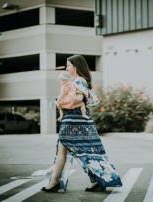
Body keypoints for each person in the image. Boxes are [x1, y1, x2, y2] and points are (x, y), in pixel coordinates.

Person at [41, 55, 122, 193]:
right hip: (76, 120)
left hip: (73, 120)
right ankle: (98, 180)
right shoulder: (79, 81)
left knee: (65, 149)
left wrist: (61, 102)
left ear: (75, 67)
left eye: (68, 65)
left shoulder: (78, 81)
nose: (67, 68)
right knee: (86, 150)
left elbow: (79, 99)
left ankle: (55, 182)